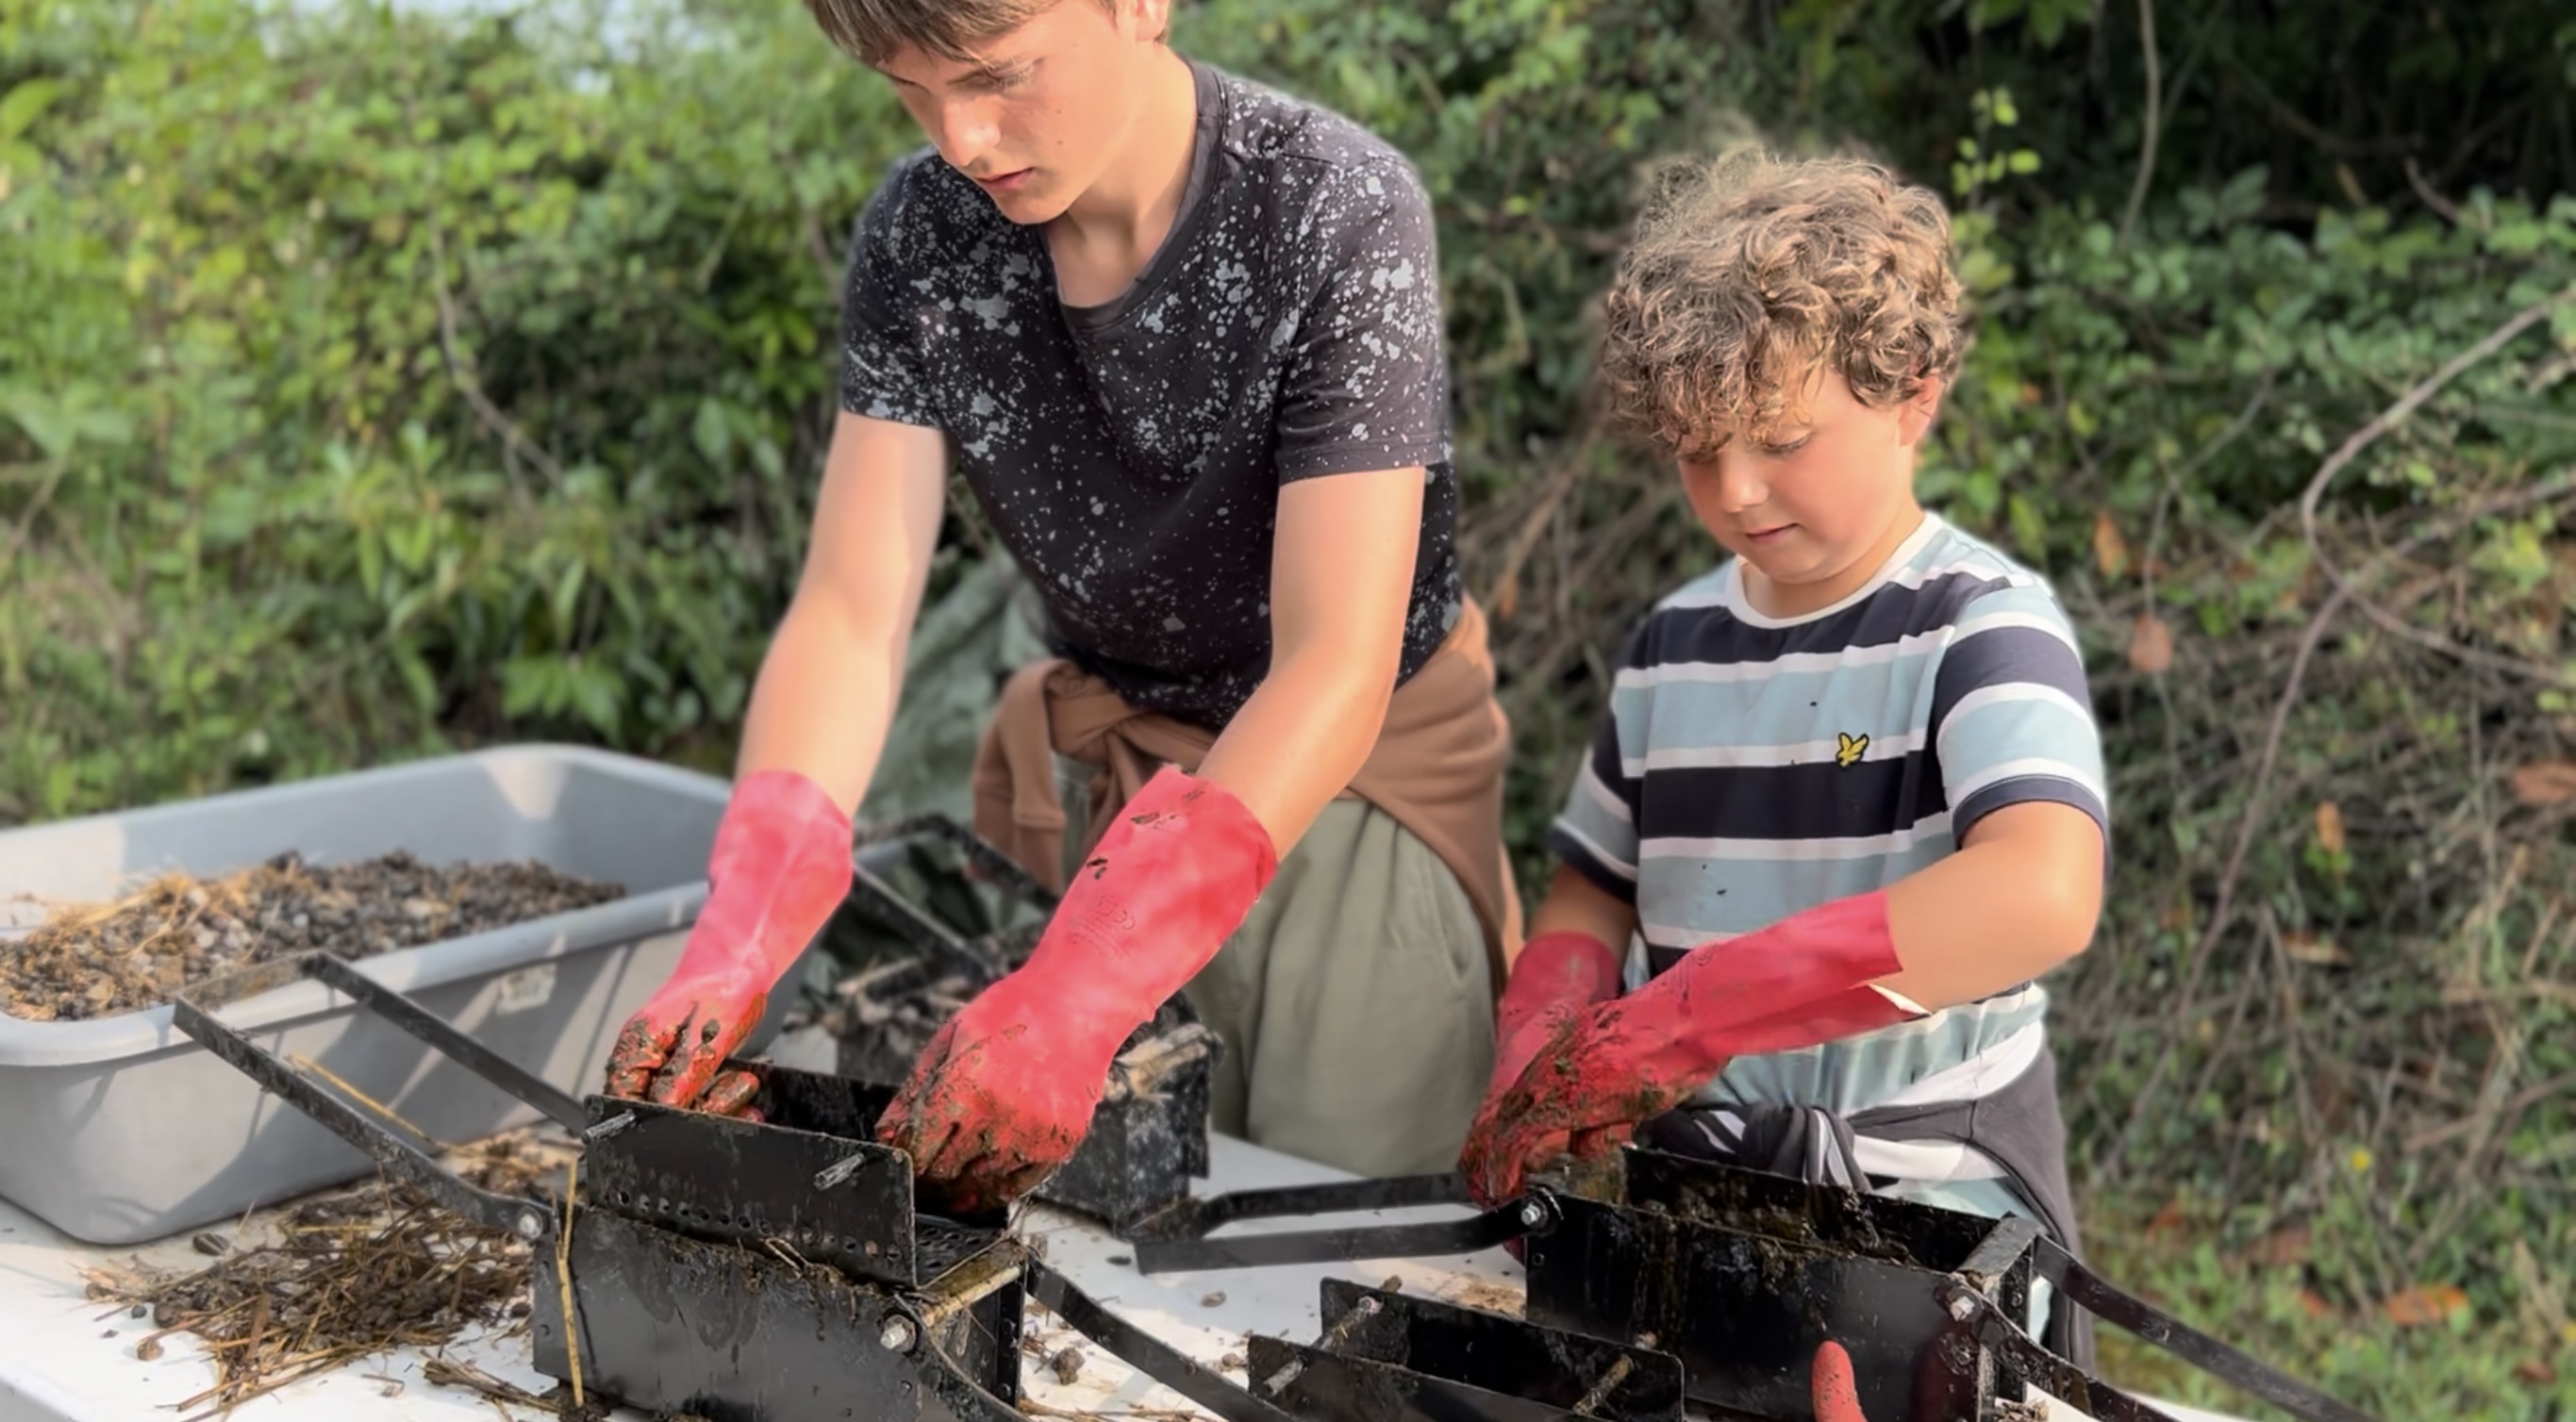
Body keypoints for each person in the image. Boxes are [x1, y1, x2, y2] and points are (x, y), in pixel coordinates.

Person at [600, 0, 1521, 1215]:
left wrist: (1082, 990)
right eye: (910, 91)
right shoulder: (924, 237)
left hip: (1347, 805)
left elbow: (1332, 663)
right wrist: (743, 931)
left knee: (1338, 1239)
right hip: (1115, 804)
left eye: (996, 73)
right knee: (1102, 1254)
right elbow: (848, 610)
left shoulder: (1332, 207)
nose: (964, 138)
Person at [1458, 149, 2109, 1371]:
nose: (1737, 488)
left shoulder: (1981, 624)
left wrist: (1706, 1010)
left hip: (1927, 1209)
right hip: (1701, 1186)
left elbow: (2043, 890)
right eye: (1699, 450)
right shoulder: (1673, 649)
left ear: (1913, 395)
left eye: (1781, 437)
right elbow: (1594, 880)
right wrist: (1545, 1027)